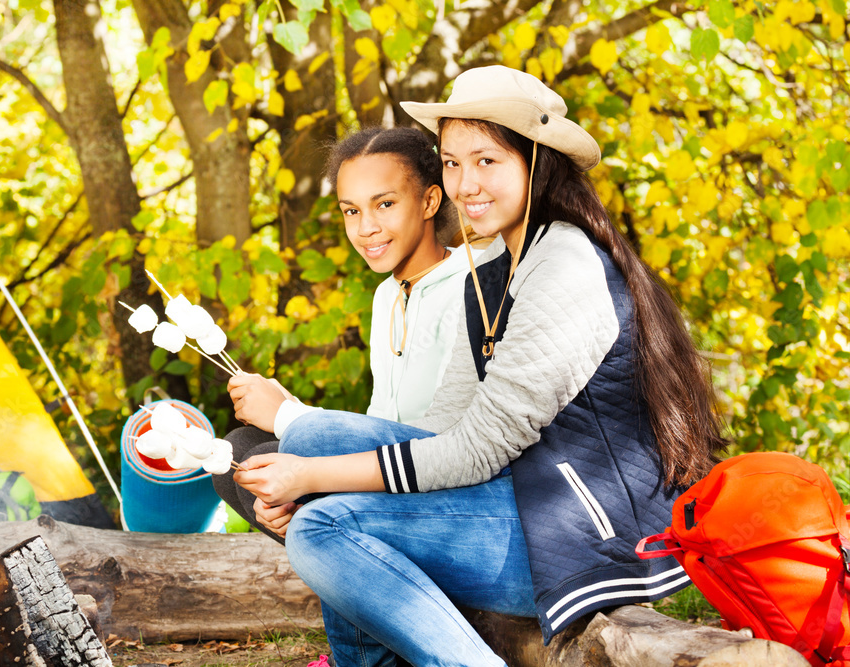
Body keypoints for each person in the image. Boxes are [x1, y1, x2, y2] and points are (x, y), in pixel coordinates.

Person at [233, 66, 728, 666]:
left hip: (586, 534)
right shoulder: (492, 271)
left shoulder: (565, 262)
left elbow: (477, 450)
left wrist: (311, 483)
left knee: (322, 526)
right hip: (524, 497)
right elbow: (442, 432)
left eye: (486, 161)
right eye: (451, 162)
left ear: (536, 161)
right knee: (311, 437)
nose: (466, 184)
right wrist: (311, 472)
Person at [215, 127, 483, 540]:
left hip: (444, 488)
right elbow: (383, 423)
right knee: (236, 454)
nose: (366, 228)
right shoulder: (386, 296)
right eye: (351, 211)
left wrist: (289, 418)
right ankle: (314, 535)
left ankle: (339, 540)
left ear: (429, 200)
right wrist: (291, 408)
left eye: (386, 204)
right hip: (387, 473)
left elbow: (442, 443)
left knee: (272, 456)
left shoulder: (479, 282)